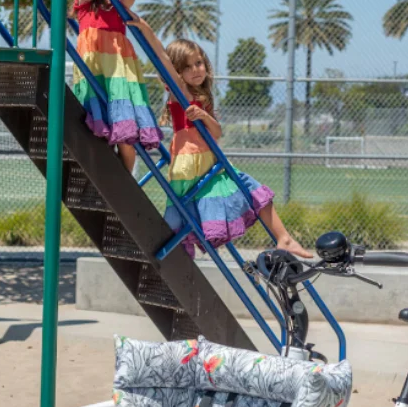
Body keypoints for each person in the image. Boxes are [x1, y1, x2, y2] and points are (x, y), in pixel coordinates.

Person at [127, 15, 313, 258]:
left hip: (209, 161)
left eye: (199, 63)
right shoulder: (180, 91)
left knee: (248, 190)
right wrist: (145, 28)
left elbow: (216, 133)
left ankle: (284, 237)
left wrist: (204, 115)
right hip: (191, 163)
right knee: (186, 212)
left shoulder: (201, 96)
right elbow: (162, 57)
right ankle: (178, 255)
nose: (196, 70)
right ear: (177, 73)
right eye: (188, 66)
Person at [72, 0, 162, 171]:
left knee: (126, 135)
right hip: (97, 69)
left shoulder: (117, 3)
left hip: (119, 72)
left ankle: (124, 181)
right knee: (97, 129)